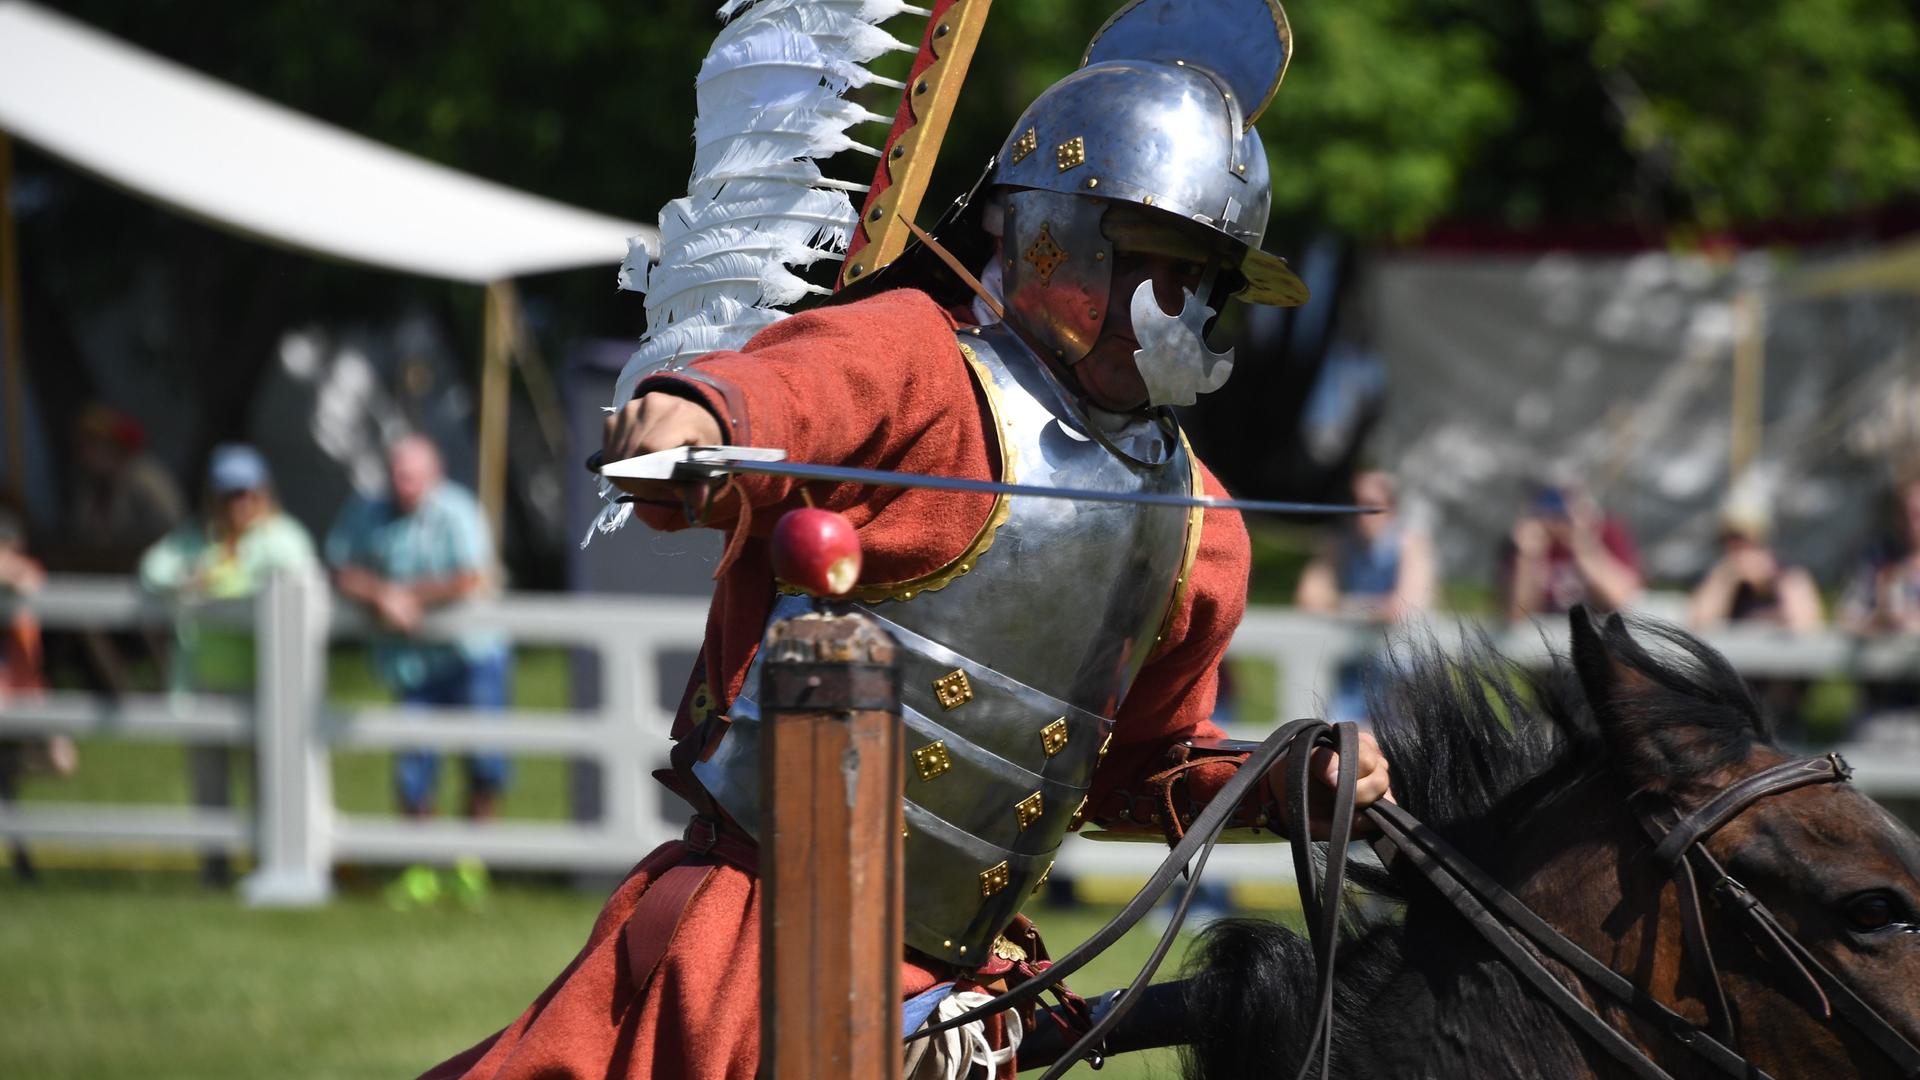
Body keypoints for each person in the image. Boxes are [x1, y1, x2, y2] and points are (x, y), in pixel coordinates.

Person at [425, 5, 1390, 1077]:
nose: (1180, 309)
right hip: (757, 946)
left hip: (959, 1002)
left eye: (1208, 283)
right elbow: (773, 393)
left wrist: (1281, 782)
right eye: (1158, 264)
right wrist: (692, 419)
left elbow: (1140, 769)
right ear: (1049, 237)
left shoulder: (1202, 530)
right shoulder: (917, 361)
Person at [139, 444, 320, 885]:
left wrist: (226, 582)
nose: (239, 503)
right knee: (209, 782)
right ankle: (214, 869)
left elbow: (298, 572)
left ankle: (268, 864)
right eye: (229, 494)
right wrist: (191, 579)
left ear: (264, 493)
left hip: (266, 682)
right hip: (204, 681)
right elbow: (152, 570)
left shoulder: (283, 536)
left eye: (247, 493)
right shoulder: (196, 540)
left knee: (266, 780)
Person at [327, 436, 510, 823]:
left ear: (433, 475)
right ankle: (420, 863)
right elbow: (340, 568)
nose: (401, 484)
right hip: (412, 661)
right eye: (396, 475)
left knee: (484, 759)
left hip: (471, 654)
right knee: (414, 763)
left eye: (410, 476)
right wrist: (382, 596)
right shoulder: (366, 510)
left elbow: (470, 576)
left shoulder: (457, 509)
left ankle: (474, 859)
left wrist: (407, 597)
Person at [1296, 469, 1434, 723]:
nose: (1361, 513)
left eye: (1371, 504)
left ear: (1391, 508)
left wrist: (1342, 606)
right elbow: (1309, 598)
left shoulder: (1410, 544)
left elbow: (1402, 607)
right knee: (1339, 742)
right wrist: (1366, 608)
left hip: (1399, 676)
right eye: (1354, 503)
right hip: (1353, 671)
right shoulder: (1341, 543)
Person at [1688, 498, 1823, 740]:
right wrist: (1726, 577)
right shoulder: (1718, 577)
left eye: (1745, 540)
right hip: (1728, 705)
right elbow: (1698, 622)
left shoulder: (1789, 574)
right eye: (1730, 540)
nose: (1738, 549)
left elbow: (1806, 626)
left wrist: (1772, 583)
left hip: (1782, 705)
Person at [0, 505, 67, 880]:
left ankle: (21, 857)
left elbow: (28, 583)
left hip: (20, 699)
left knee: (11, 779)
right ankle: (22, 859)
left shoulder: (28, 574)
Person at [1503, 481, 1643, 618]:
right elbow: (1517, 616)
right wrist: (1529, 558)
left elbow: (1622, 601)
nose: (1556, 515)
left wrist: (1584, 547)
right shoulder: (1522, 543)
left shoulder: (1607, 531)